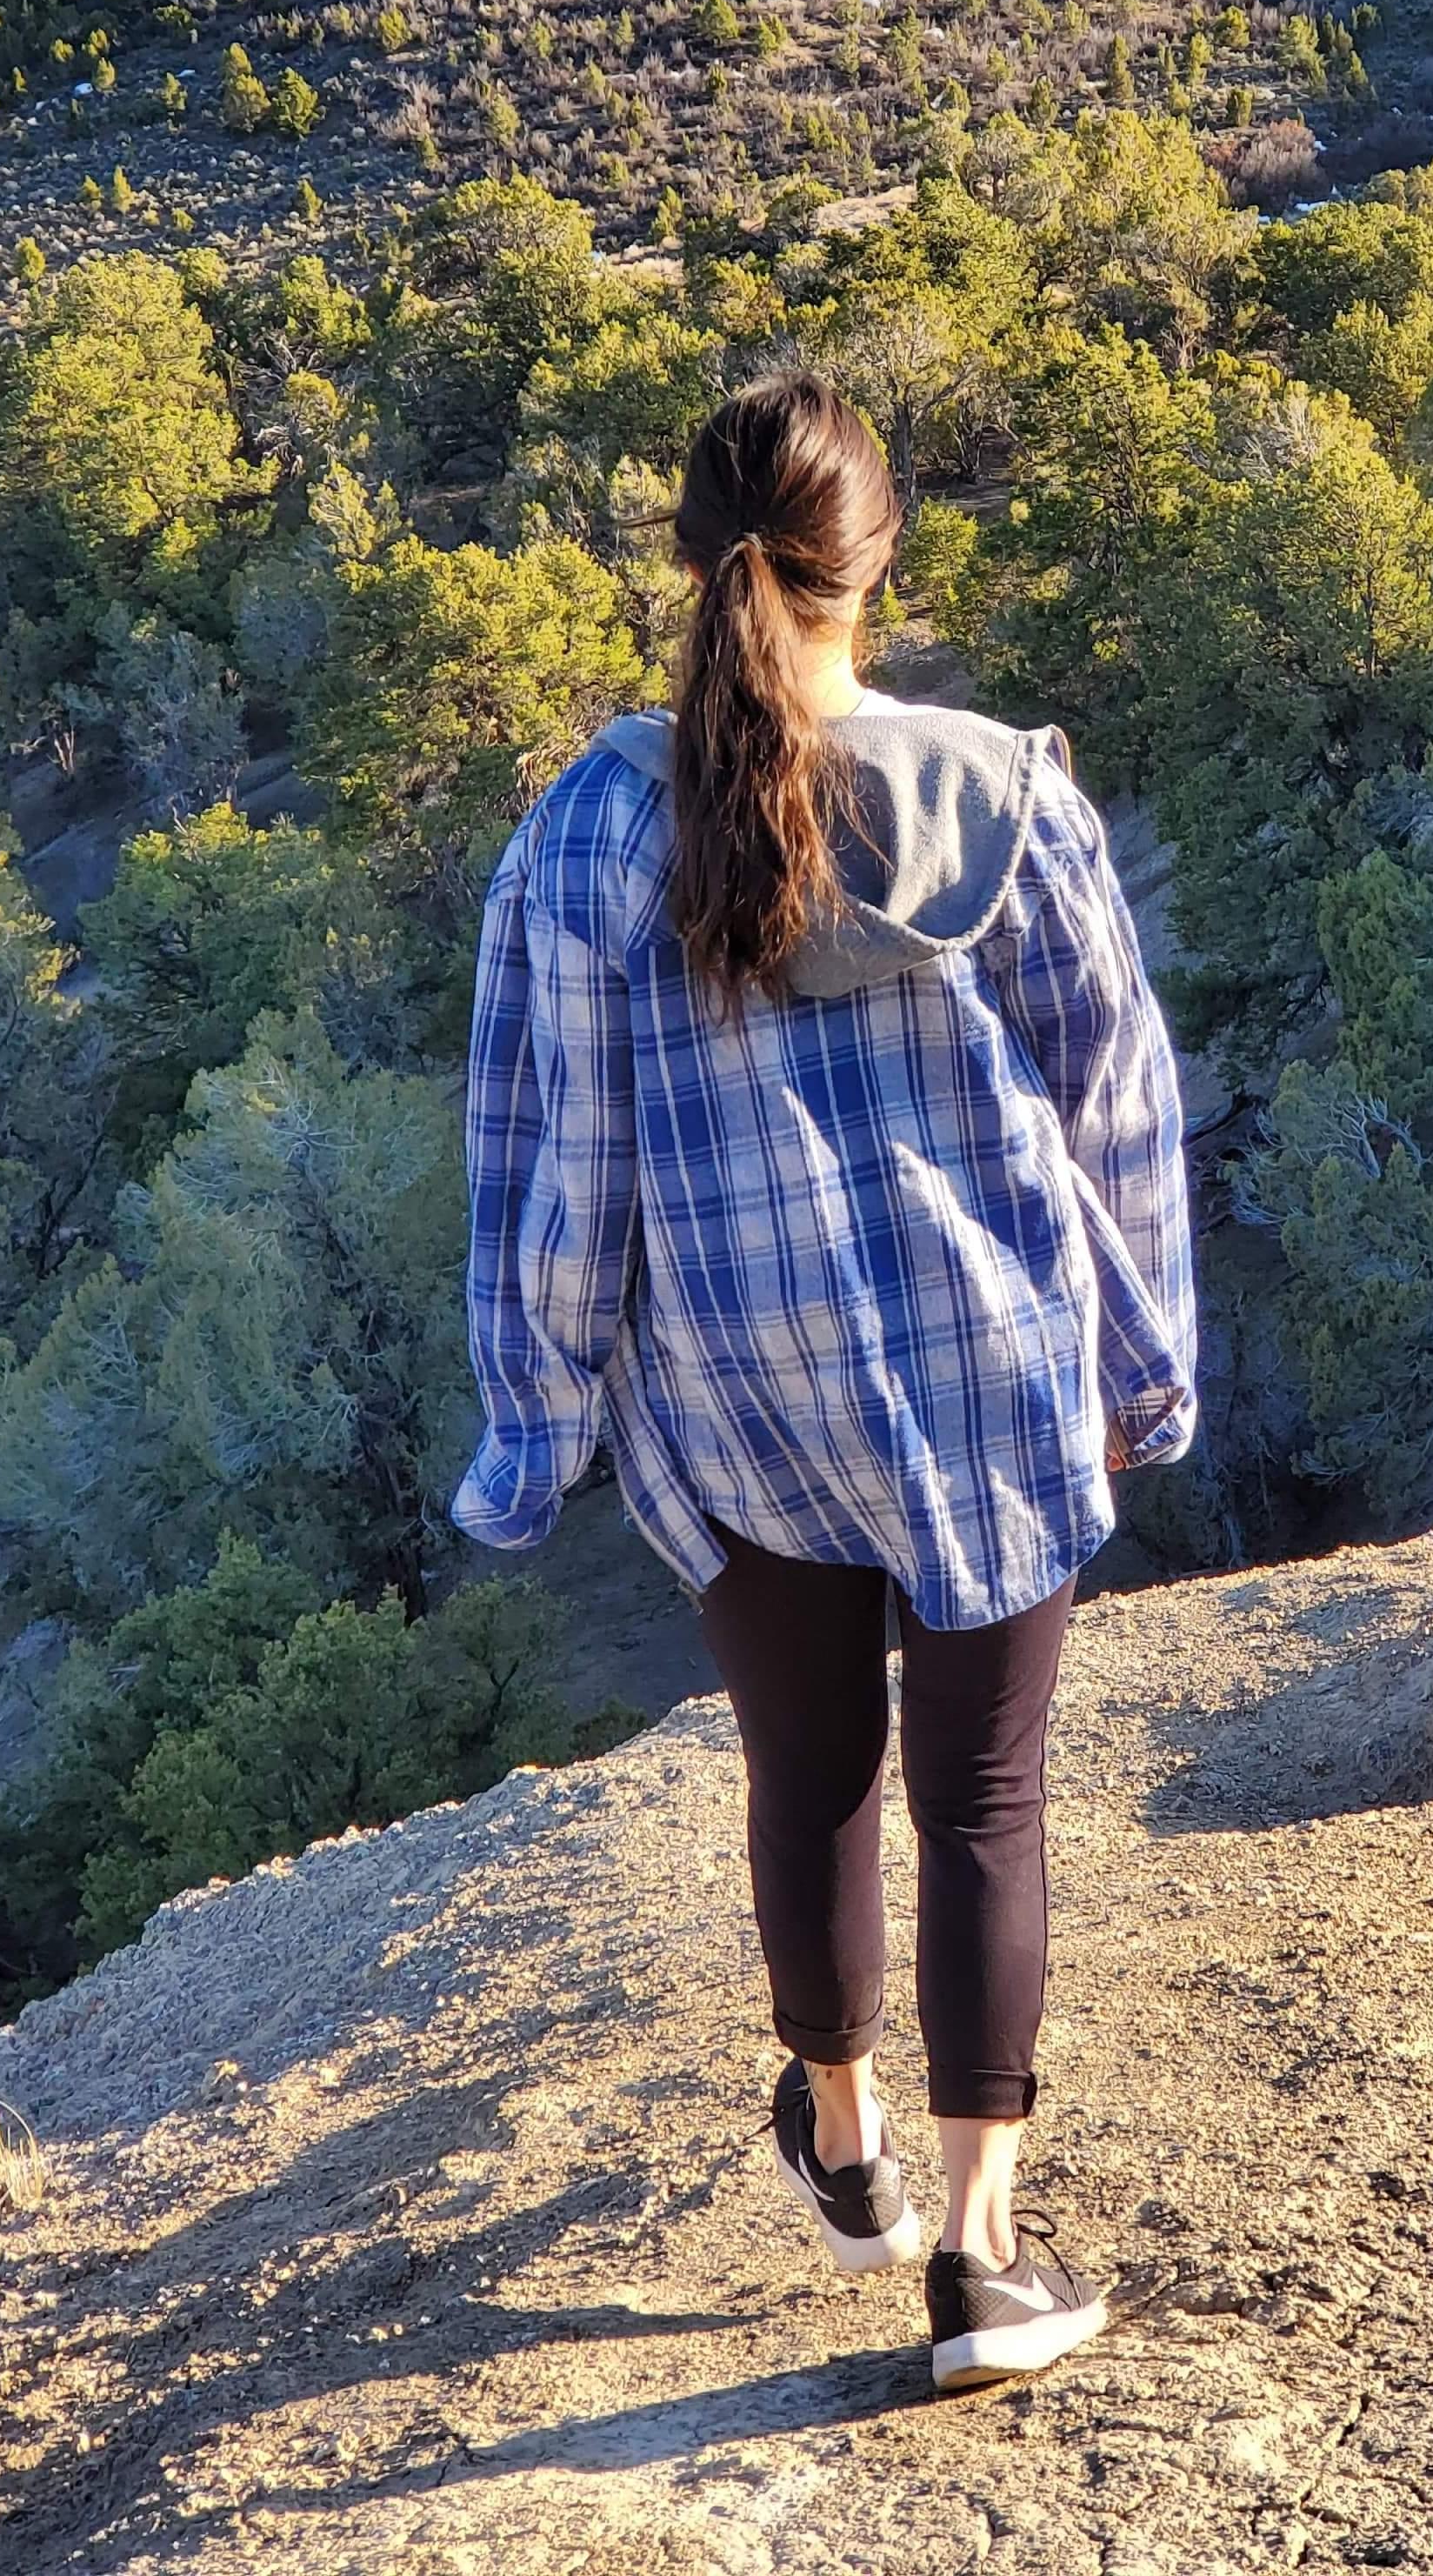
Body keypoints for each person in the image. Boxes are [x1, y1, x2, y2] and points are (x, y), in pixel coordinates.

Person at [453, 372, 1201, 2393]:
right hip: (989, 1372)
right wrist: (1146, 1363)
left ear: (688, 566)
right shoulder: (1004, 796)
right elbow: (1114, 1105)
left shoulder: (594, 823)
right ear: (884, 564)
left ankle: (847, 2145)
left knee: (813, 1778)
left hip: (736, 1389)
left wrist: (543, 1415)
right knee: (985, 1797)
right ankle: (977, 2262)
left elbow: (554, 1152)